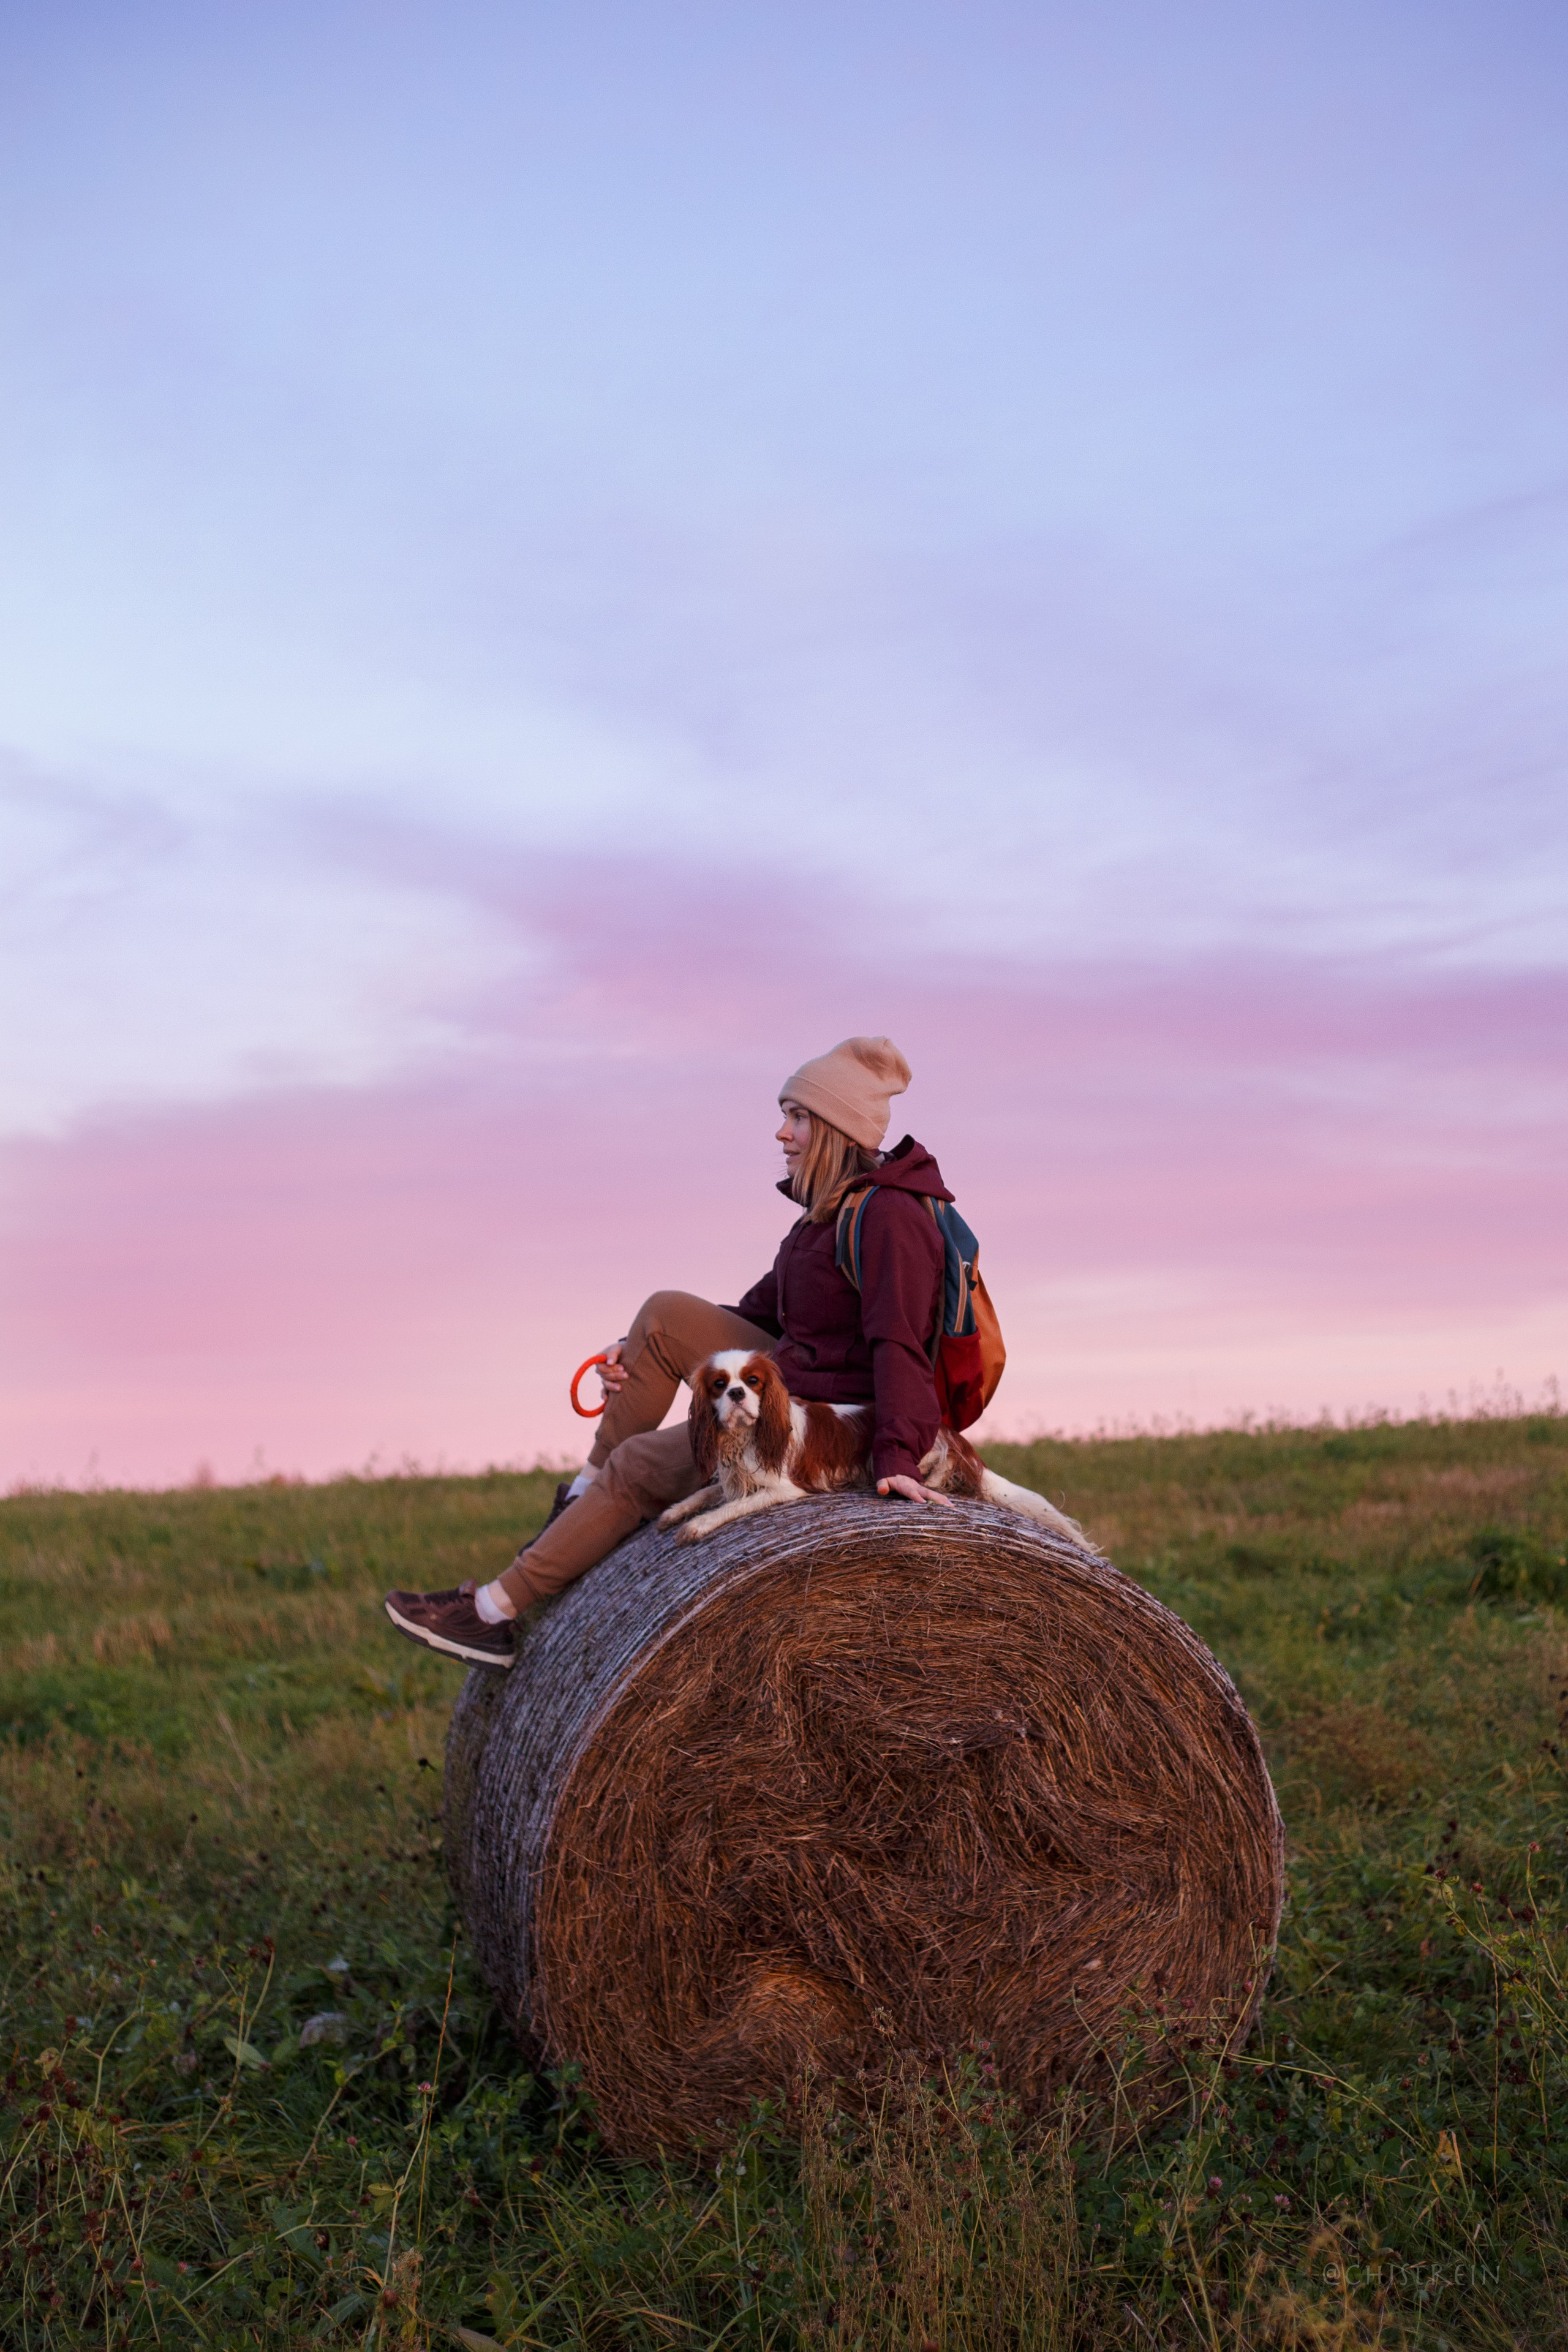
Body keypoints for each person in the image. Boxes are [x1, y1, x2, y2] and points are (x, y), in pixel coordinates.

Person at [384, 1035, 962, 1667]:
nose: (782, 1133)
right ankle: (579, 1503)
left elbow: (900, 1342)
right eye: (785, 1115)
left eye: (797, 1117)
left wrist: (896, 1456)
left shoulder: (890, 1218)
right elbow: (760, 1315)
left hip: (820, 1416)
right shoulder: (826, 1215)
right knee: (662, 1317)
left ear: (834, 1129)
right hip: (794, 1370)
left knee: (637, 1468)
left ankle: (493, 1615)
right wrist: (633, 1350)